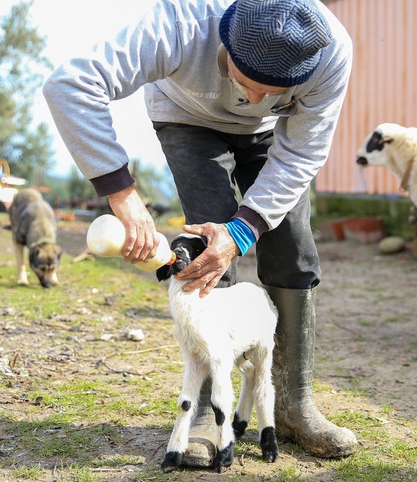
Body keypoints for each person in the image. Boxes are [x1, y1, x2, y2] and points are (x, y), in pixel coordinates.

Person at [43, 0, 356, 465]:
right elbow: (69, 84)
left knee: (293, 246)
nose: (253, 101)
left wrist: (244, 230)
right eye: (246, 84)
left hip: (276, 134)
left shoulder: (330, 51)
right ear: (224, 46)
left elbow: (303, 153)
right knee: (208, 248)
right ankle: (211, 412)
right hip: (187, 116)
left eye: (273, 92)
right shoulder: (182, 25)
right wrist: (122, 194)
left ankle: (293, 405)